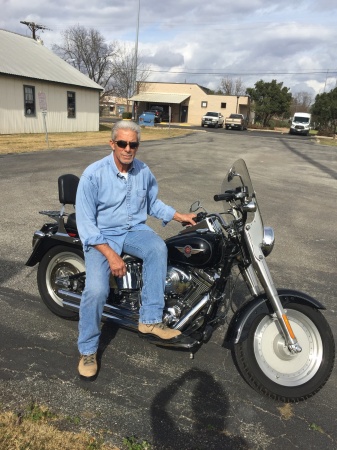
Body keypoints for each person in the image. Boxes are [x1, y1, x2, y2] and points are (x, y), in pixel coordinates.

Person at [75, 120, 196, 380]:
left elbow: (153, 202)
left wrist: (178, 216)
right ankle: (87, 350)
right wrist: (110, 254)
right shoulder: (93, 175)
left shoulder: (143, 171)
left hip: (133, 231)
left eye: (133, 144)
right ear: (112, 144)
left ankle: (150, 319)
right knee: (96, 290)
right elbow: (86, 224)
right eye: (122, 143)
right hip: (101, 236)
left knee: (157, 247)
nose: (128, 149)